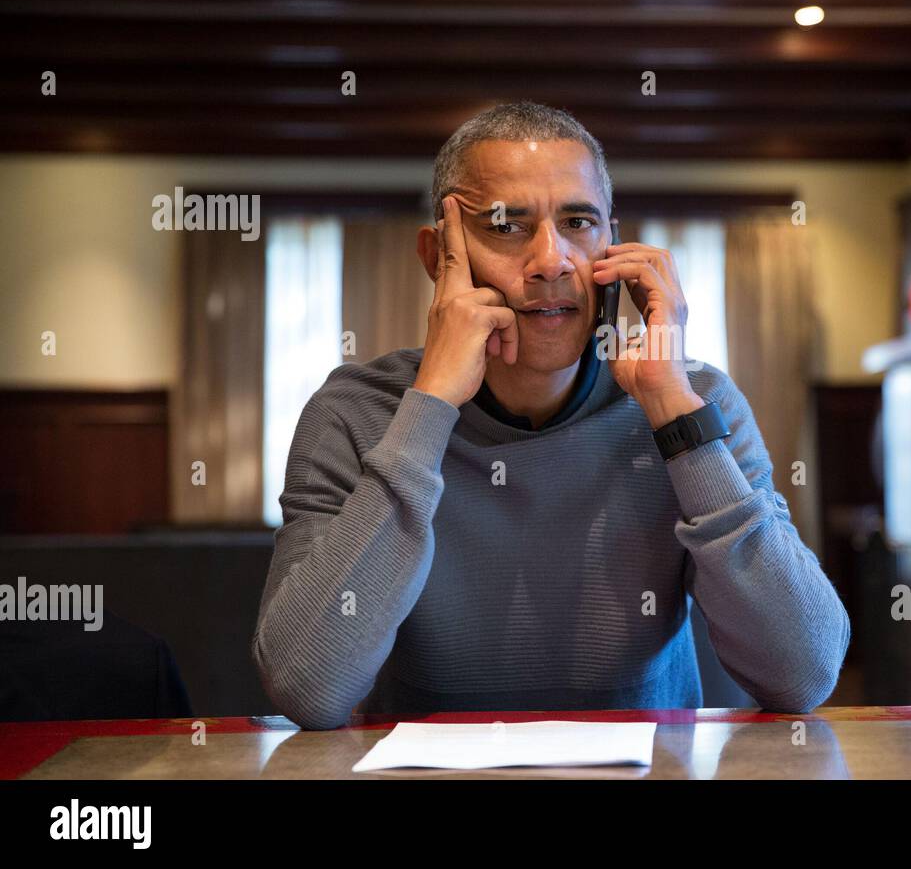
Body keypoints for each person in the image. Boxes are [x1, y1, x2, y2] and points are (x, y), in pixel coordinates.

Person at [251, 101, 850, 729]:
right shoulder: (353, 413)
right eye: (507, 226)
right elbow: (307, 687)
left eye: (578, 222)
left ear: (612, 246)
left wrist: (678, 421)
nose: (551, 259)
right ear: (438, 257)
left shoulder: (697, 402)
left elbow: (803, 674)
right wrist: (428, 411)